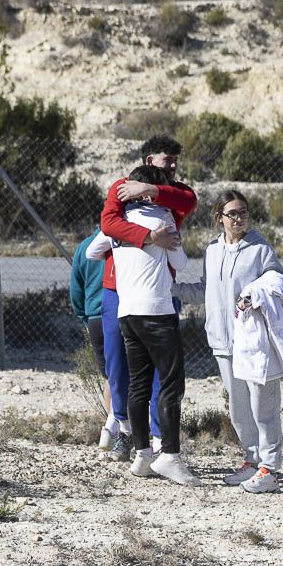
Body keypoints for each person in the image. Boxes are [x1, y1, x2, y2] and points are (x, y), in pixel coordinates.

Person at [174, 190, 283, 493]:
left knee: (262, 406)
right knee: (239, 409)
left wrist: (254, 295)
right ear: (219, 218)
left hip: (254, 342)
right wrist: (171, 289)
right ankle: (252, 462)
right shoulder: (212, 250)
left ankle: (270, 468)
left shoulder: (260, 248)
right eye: (233, 213)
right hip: (222, 342)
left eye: (244, 212)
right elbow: (205, 289)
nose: (239, 218)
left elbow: (279, 282)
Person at [89, 165, 199, 486]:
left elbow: (95, 251)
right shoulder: (162, 218)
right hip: (158, 311)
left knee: (138, 385)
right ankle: (171, 456)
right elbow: (181, 262)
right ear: (155, 189)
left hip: (127, 312)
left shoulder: (118, 224)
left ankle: (141, 455)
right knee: (170, 384)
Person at [69, 227, 116, 451]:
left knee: (110, 376)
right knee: (133, 375)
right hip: (122, 313)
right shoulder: (123, 241)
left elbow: (76, 289)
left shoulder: (85, 246)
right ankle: (128, 430)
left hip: (95, 316)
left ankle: (111, 427)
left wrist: (85, 317)